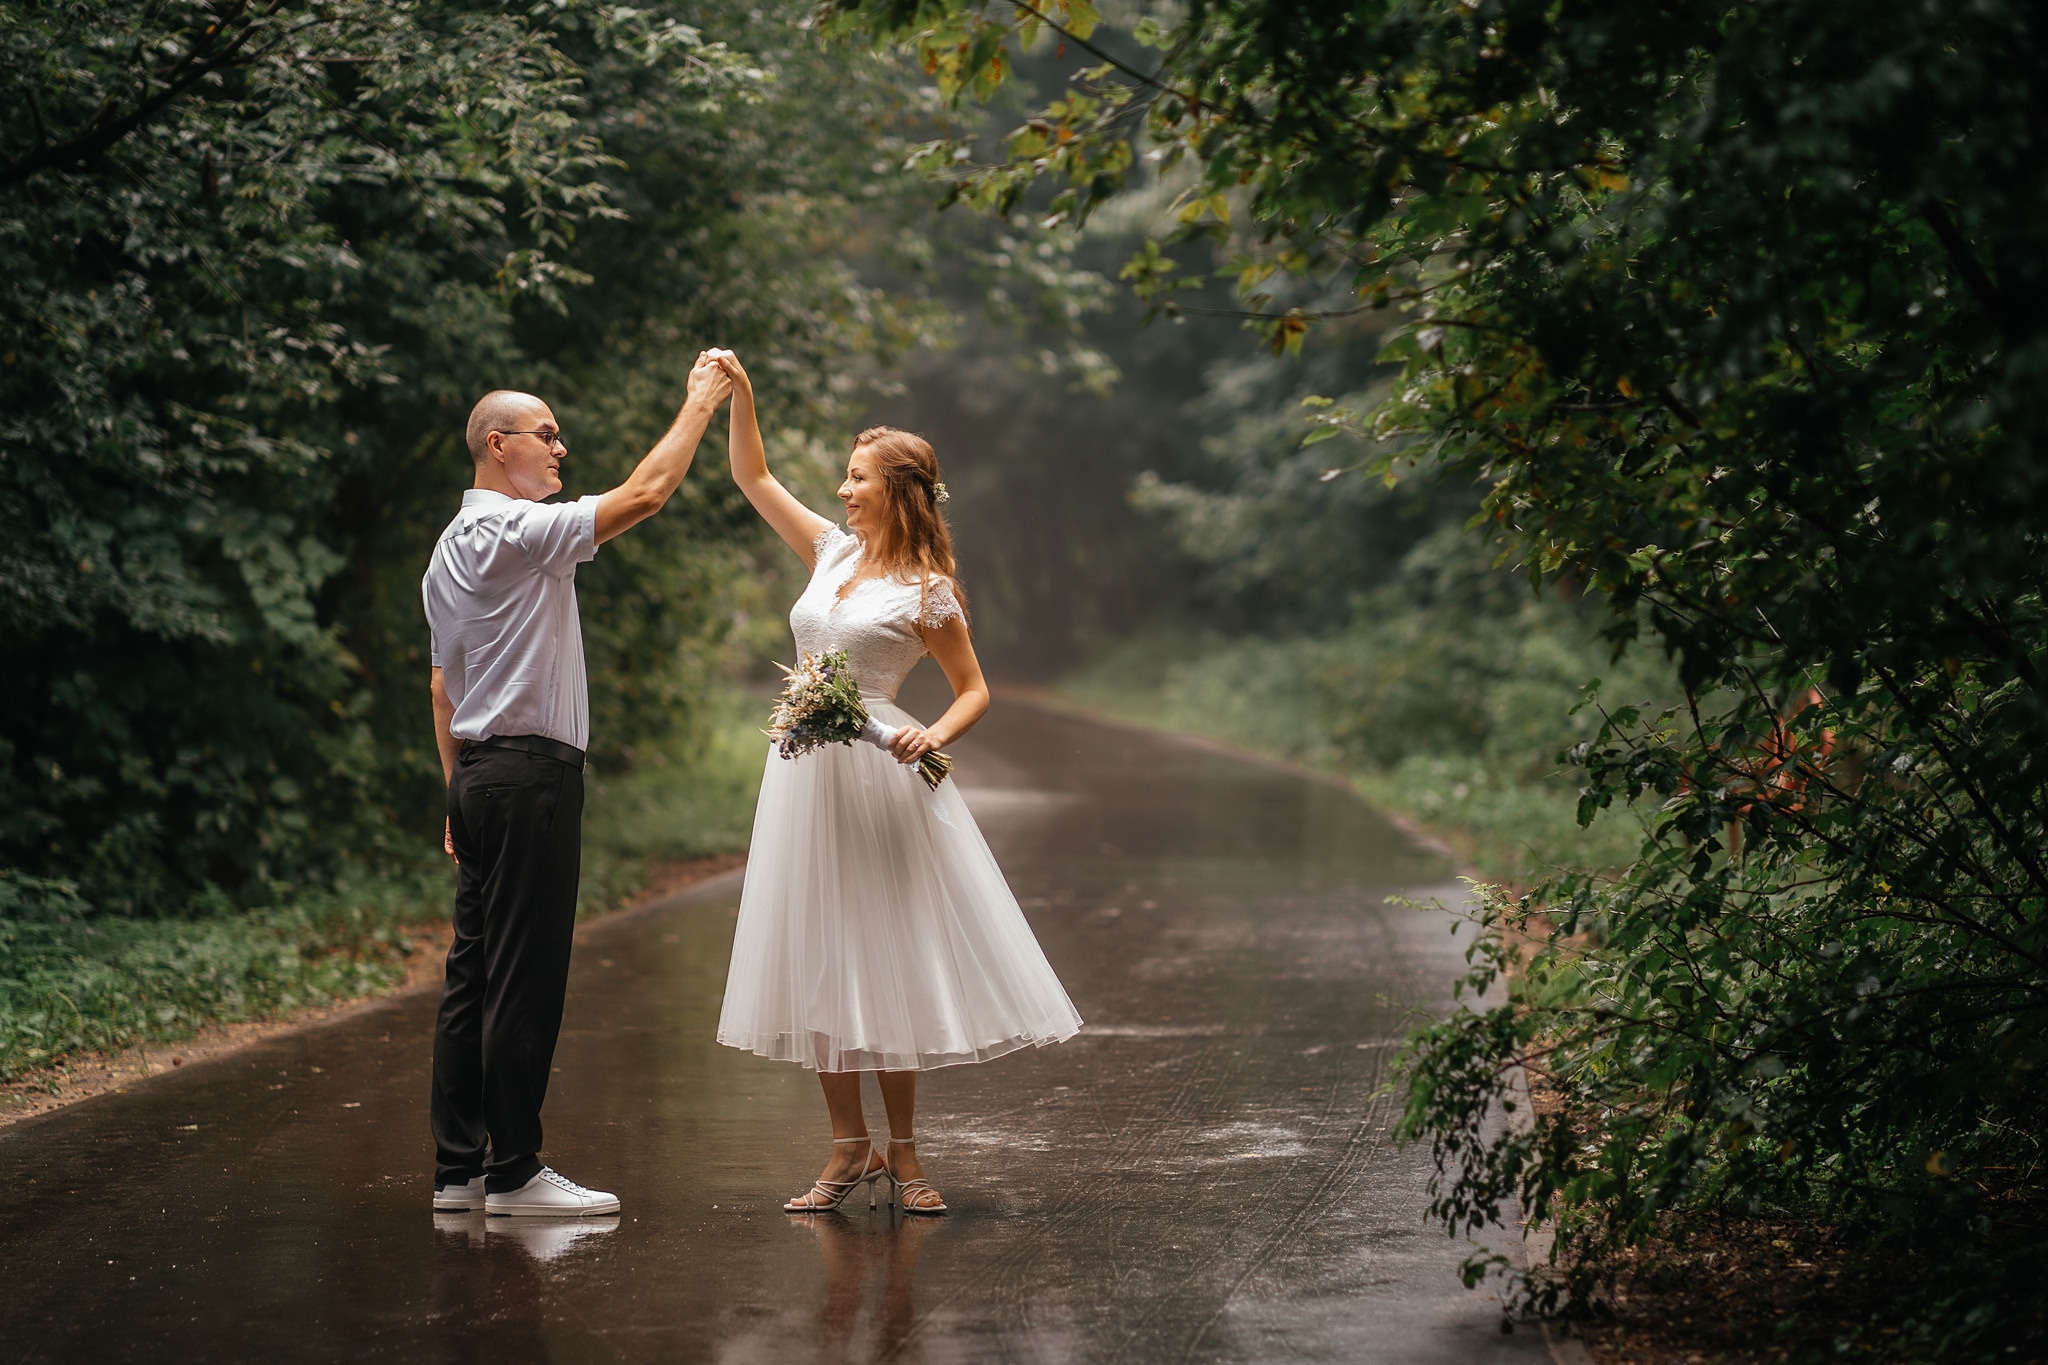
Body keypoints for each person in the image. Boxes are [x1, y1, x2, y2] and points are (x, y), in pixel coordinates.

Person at [711, 352, 1083, 1215]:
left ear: (900, 491)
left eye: (857, 477)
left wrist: (932, 732)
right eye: (843, 475)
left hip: (881, 772)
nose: (843, 489)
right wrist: (745, 398)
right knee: (818, 951)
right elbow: (751, 472)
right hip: (803, 772)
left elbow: (974, 689)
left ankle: (906, 1152)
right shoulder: (827, 551)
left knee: (886, 952)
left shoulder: (929, 590)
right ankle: (847, 1149)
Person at [422, 354, 733, 1216]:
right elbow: (645, 495)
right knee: (525, 971)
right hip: (528, 775)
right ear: (497, 445)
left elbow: (444, 686)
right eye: (546, 434)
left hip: (482, 775)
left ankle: (459, 1171)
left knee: (473, 974)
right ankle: (514, 1171)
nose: (561, 449)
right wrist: (698, 403)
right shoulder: (513, 532)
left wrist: (455, 794)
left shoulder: (448, 550)